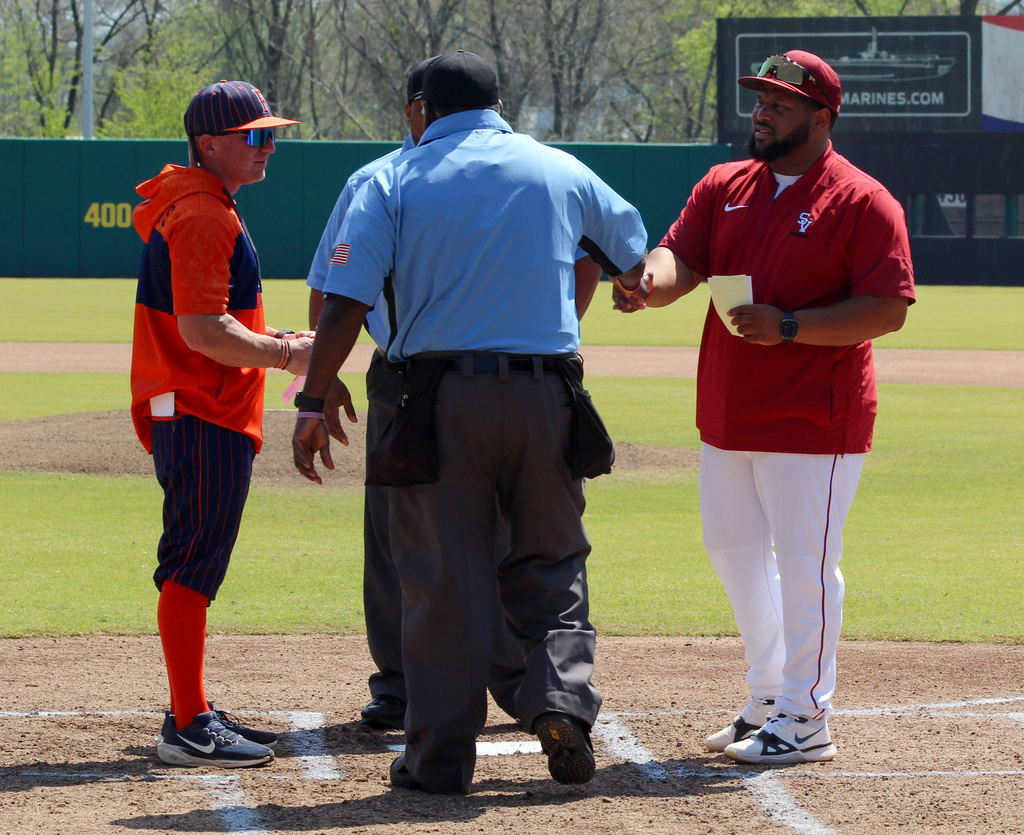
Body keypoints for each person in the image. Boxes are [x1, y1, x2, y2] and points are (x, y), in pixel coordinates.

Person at [292, 51, 647, 794]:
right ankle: (560, 701)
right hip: (548, 394)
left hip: (437, 399)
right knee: (552, 562)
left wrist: (310, 397)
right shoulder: (557, 168)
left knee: (443, 580)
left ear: (421, 108)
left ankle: (440, 761)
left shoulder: (392, 178)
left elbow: (345, 301)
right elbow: (631, 258)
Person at [613, 50, 915, 764]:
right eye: (761, 99)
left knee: (807, 566)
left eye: (781, 102)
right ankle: (768, 693)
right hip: (728, 412)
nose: (763, 111)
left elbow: (888, 309)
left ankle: (807, 717)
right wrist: (645, 283)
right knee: (736, 554)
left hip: (816, 420)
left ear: (821, 117)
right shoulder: (726, 185)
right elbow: (679, 258)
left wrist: (789, 326)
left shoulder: (863, 200)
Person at [306, 57, 534, 731]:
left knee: (427, 530)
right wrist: (320, 376)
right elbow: (328, 286)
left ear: (416, 109)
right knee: (416, 530)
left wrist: (312, 390)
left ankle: (502, 679)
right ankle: (410, 679)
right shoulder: (379, 181)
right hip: (426, 373)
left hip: (443, 372)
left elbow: (327, 289)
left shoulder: (507, 174)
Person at [130, 79, 312, 768]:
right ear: (210, 144)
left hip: (201, 405)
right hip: (201, 406)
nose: (269, 147)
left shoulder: (204, 203)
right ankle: (187, 724)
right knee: (192, 564)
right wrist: (288, 353)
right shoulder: (205, 212)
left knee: (194, 561)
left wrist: (273, 337)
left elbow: (216, 322)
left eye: (271, 134)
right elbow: (205, 330)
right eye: (255, 136)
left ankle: (190, 706)